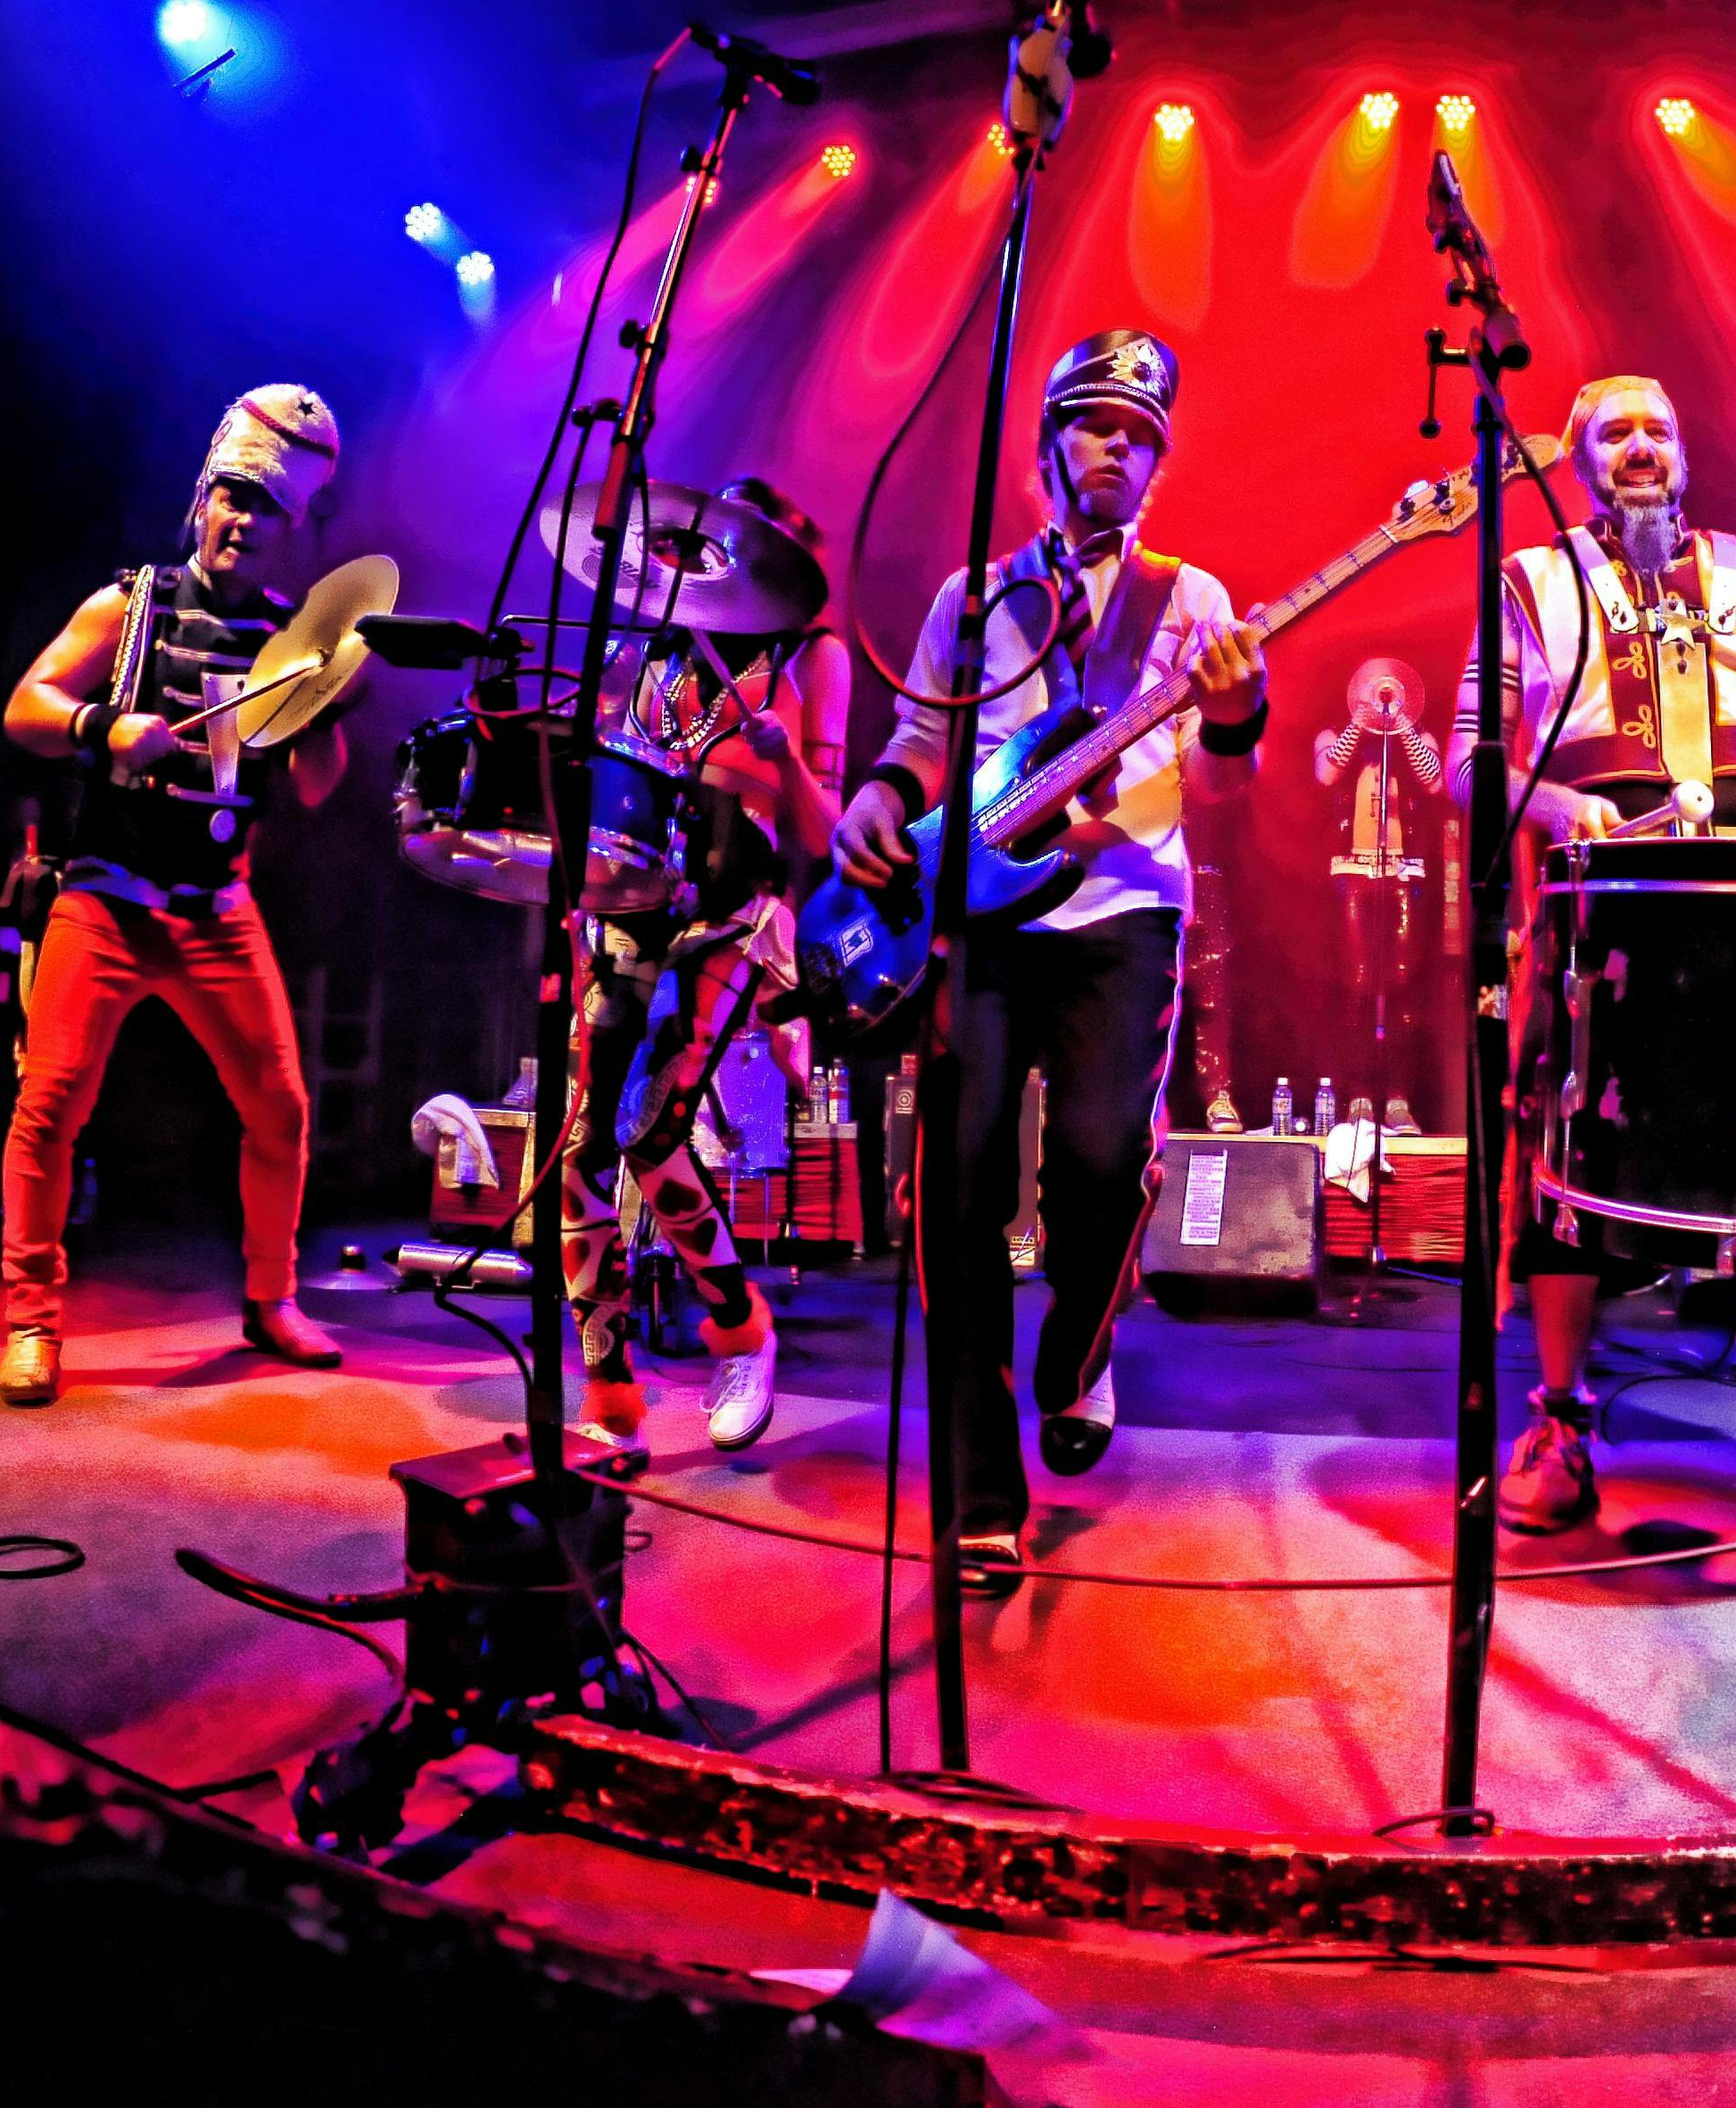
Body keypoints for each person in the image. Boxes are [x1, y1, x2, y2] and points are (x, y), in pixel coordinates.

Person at [827, 330, 1267, 1587]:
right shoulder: (973, 597)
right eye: (1095, 426)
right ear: (1048, 446)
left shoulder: (1192, 600)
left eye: (1140, 437)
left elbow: (1222, 781)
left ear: (1160, 463)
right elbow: (921, 741)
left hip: (1123, 907)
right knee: (953, 1192)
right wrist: (876, 796)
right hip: (976, 913)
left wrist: (1234, 708)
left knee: (1098, 1161)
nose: (1117, 450)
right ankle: (979, 1491)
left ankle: (1077, 1349)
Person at [1451, 373, 1736, 1533]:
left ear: (1685, 455)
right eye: (1614, 433)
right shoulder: (1527, 581)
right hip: (1597, 903)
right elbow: (1467, 759)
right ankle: (1560, 1414)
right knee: (1569, 1152)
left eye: (1658, 430)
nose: (1640, 448)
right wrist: (1554, 804)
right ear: (1577, 462)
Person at [0, 384, 356, 1407]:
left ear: (291, 529)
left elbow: (317, 789)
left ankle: (272, 1299)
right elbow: (25, 706)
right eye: (233, 496)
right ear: (202, 497)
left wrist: (325, 706)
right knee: (50, 1103)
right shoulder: (131, 604)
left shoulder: (289, 639)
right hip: (106, 897)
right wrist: (100, 726)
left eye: (267, 507)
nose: (244, 520)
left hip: (216, 908)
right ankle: (31, 1321)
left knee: (280, 1107)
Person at [558, 484, 844, 1449]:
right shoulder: (643, 651)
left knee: (649, 1129)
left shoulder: (807, 662)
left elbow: (826, 835)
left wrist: (786, 759)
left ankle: (740, 1328)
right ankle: (608, 1393)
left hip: (731, 921)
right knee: (581, 1150)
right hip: (624, 913)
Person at [1311, 657, 1442, 1131]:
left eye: (1387, 691)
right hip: (1352, 872)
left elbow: (1434, 782)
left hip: (1405, 873)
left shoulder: (1418, 738)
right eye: (1371, 691)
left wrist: (1402, 728)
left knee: (1403, 987)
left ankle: (1400, 1099)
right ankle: (1359, 1095)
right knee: (1357, 985)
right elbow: (1326, 774)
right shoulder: (1331, 735)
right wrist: (1358, 725)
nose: (1381, 698)